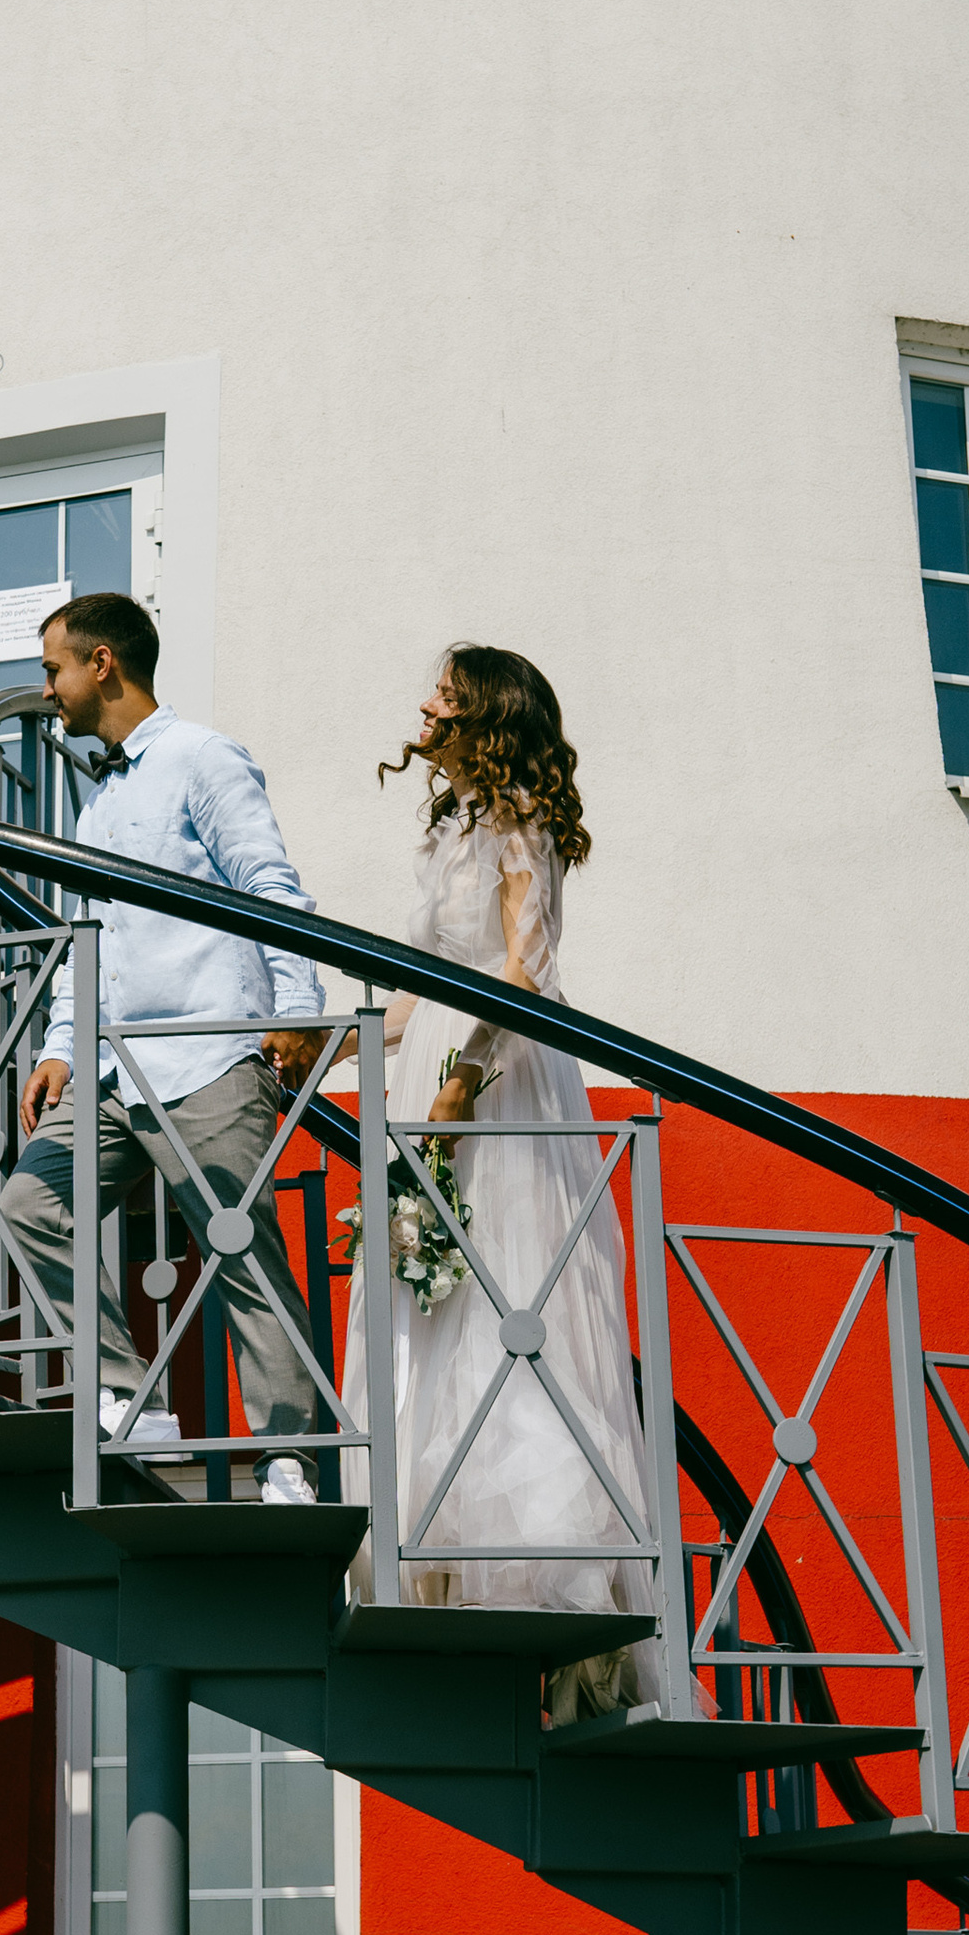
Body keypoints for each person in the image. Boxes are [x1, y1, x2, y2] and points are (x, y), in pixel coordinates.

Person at [345, 645, 660, 1718]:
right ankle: (421, 1542)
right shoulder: (448, 827)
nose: (424, 701)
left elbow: (523, 971)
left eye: (442, 688)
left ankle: (532, 1562)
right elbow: (414, 992)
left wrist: (463, 1079)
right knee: (427, 1312)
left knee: (503, 1299)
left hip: (499, 1074)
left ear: (483, 711)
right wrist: (333, 1049)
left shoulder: (519, 817)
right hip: (440, 1057)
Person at [0, 592, 329, 1502]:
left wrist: (297, 1006)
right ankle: (122, 1393)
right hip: (112, 1068)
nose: (47, 689)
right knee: (28, 1201)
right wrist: (63, 1042)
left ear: (102, 662)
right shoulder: (94, 800)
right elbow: (87, 940)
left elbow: (270, 885)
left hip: (208, 1056)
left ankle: (289, 1457)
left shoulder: (202, 759)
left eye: (54, 669)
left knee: (242, 1249)